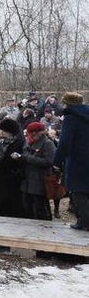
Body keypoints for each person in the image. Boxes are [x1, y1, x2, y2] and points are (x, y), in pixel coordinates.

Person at [53, 92, 89, 230]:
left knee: (78, 191)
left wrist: (56, 162)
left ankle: (85, 221)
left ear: (67, 103)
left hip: (78, 159)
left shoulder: (70, 118)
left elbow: (64, 143)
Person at [14, 122, 55, 220]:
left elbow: (49, 162)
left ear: (40, 133)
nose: (31, 135)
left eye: (33, 133)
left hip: (39, 181)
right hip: (27, 181)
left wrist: (27, 158)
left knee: (40, 208)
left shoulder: (48, 144)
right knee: (27, 207)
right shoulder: (29, 143)